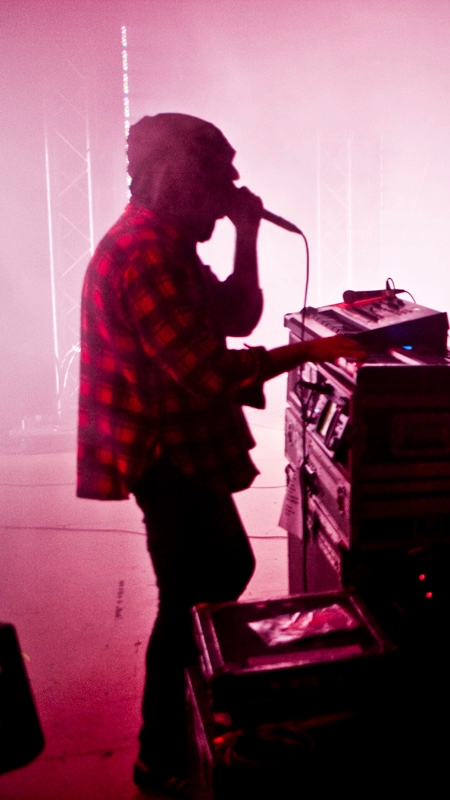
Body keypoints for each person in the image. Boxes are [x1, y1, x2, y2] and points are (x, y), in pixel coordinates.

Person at [77, 113, 362, 797]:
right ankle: (161, 756)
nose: (229, 190)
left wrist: (245, 233)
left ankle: (182, 726)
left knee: (218, 573)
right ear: (175, 176)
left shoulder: (169, 242)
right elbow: (206, 369)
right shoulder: (144, 253)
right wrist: (311, 351)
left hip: (184, 446)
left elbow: (235, 315)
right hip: (163, 452)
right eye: (218, 179)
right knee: (190, 597)